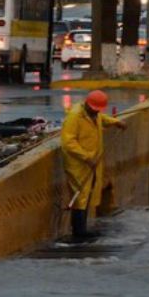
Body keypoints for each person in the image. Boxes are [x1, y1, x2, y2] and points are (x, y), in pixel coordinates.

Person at [60, 90, 127, 240]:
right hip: (78, 163)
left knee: (87, 194)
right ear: (88, 104)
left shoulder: (94, 114)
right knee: (80, 195)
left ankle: (82, 229)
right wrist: (86, 157)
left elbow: (101, 119)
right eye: (95, 109)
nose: (97, 112)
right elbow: (68, 142)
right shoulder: (75, 116)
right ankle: (79, 232)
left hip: (91, 162)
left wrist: (116, 122)